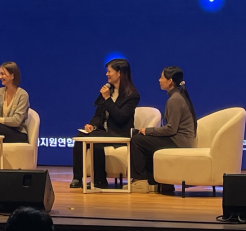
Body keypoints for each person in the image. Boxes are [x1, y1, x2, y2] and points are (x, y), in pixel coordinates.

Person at [70, 58, 140, 189]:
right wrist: (93, 125)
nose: (107, 74)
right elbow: (98, 115)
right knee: (80, 137)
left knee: (95, 139)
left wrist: (107, 98)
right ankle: (77, 177)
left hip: (120, 133)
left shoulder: (132, 95)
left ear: (119, 73)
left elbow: (120, 117)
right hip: (104, 131)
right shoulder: (109, 90)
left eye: (109, 71)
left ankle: (100, 180)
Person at [130, 66, 196, 193]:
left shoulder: (175, 100)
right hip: (178, 140)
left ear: (170, 81)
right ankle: (157, 183)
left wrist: (148, 131)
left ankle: (140, 181)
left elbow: (171, 129)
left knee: (138, 140)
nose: (159, 80)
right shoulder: (177, 97)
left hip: (178, 142)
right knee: (146, 140)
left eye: (161, 77)